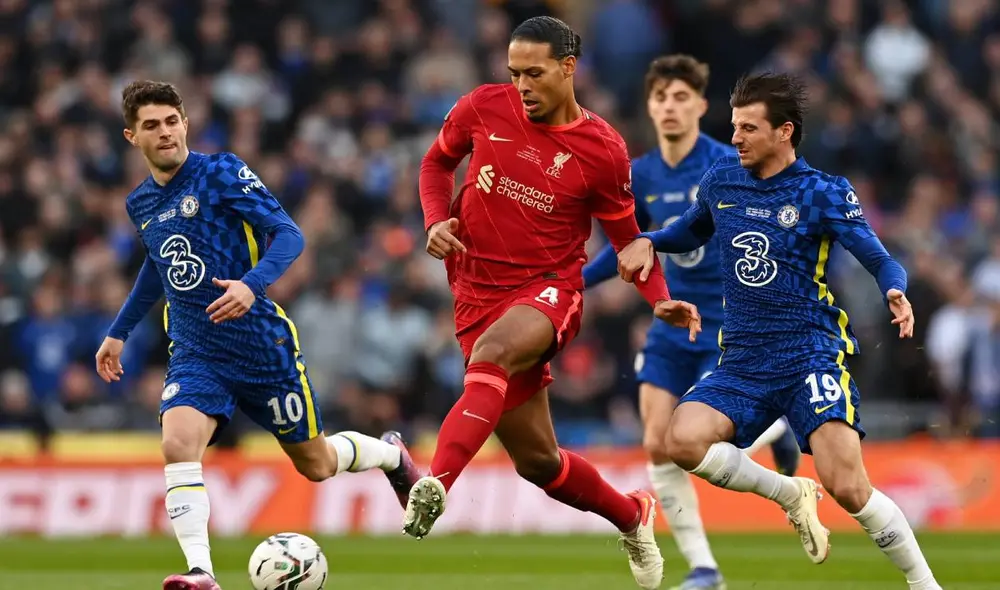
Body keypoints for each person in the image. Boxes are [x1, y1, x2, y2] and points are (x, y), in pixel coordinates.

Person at [617, 72, 941, 590]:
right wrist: (651, 240)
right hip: (743, 359)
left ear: (784, 131)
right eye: (734, 126)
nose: (736, 137)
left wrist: (895, 290)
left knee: (848, 486)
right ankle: (790, 493)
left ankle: (926, 586)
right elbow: (691, 231)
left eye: (748, 128)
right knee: (682, 440)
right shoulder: (723, 179)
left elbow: (879, 258)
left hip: (808, 354)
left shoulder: (822, 192)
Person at [95, 81, 421, 590]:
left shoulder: (220, 172)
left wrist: (251, 285)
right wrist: (119, 331)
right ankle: (201, 572)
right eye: (151, 126)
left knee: (316, 463)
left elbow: (290, 234)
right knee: (178, 444)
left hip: (260, 346)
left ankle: (392, 456)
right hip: (197, 350)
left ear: (185, 123)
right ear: (132, 136)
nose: (165, 132)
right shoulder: (141, 203)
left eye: (172, 121)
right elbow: (158, 266)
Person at [413, 16, 701, 590]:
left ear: (568, 68)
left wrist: (660, 299)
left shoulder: (603, 149)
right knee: (539, 463)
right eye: (515, 73)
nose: (522, 85)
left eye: (535, 73)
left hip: (548, 290)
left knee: (492, 355)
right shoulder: (482, 107)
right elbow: (435, 162)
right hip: (474, 293)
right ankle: (632, 514)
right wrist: (435, 219)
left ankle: (436, 483)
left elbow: (628, 242)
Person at [582, 54, 801, 590]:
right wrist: (577, 281)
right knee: (658, 444)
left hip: (730, 323)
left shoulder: (729, 163)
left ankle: (776, 425)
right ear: (649, 107)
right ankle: (705, 569)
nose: (670, 107)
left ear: (702, 106)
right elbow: (629, 246)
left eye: (681, 97)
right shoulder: (640, 174)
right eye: (661, 98)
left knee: (701, 439)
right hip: (673, 323)